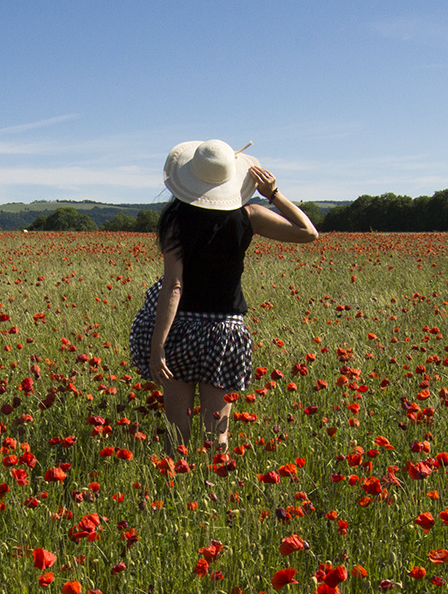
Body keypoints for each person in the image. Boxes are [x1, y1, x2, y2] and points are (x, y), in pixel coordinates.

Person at [129, 139, 319, 452]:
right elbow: (308, 233)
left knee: (177, 432)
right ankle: (209, 490)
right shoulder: (250, 215)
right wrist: (273, 194)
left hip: (178, 329)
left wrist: (158, 345)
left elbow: (174, 285)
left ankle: (177, 490)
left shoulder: (176, 221)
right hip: (224, 332)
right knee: (217, 432)